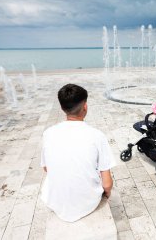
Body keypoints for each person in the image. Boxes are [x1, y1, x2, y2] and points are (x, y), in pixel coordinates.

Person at [40, 83, 115, 222]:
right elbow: (107, 184)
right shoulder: (97, 136)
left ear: (63, 108)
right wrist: (107, 194)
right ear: (85, 106)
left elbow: (46, 168)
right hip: (87, 204)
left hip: (55, 201)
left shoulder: (48, 133)